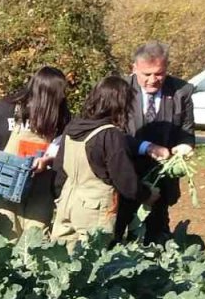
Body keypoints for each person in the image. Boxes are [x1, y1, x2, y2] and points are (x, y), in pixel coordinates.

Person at [51, 76, 159, 243]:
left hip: (67, 201)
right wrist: (147, 194)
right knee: (93, 256)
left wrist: (60, 197)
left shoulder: (73, 127)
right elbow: (125, 181)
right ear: (121, 104)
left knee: (61, 254)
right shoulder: (110, 135)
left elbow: (59, 169)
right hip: (95, 208)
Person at [115, 42, 195, 243]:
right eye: (147, 74)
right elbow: (113, 135)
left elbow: (187, 131)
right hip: (125, 177)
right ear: (134, 68)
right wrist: (146, 147)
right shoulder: (120, 90)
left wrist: (185, 145)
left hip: (161, 181)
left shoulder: (181, 92)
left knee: (157, 238)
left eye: (159, 74)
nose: (153, 80)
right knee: (116, 236)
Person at [0, 67, 70, 237]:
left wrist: (47, 160)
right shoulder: (11, 108)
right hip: (9, 181)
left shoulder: (62, 116)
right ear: (47, 92)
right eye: (60, 91)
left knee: (36, 233)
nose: (63, 95)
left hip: (41, 184)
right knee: (7, 231)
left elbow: (58, 146)